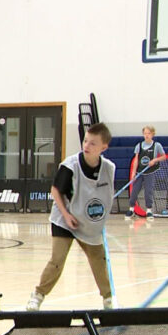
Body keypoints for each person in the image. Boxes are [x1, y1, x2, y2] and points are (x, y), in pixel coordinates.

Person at [26, 123, 116, 311]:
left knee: (99, 260)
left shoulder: (109, 168)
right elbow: (55, 191)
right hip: (65, 220)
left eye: (92, 143)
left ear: (103, 147)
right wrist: (66, 216)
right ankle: (37, 296)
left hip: (88, 222)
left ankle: (108, 299)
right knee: (57, 260)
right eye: (85, 141)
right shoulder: (70, 166)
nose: (86, 146)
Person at [126, 125, 167, 219]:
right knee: (134, 191)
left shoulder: (157, 145)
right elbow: (136, 160)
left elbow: (164, 157)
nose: (146, 135)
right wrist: (133, 172)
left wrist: (155, 160)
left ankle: (149, 210)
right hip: (140, 172)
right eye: (145, 133)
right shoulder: (139, 146)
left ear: (152, 134)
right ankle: (131, 209)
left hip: (150, 172)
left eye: (148, 133)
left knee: (148, 191)